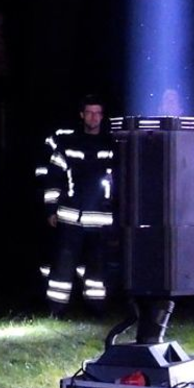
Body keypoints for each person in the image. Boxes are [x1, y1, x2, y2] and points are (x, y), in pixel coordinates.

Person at [36, 94, 115, 317]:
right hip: (71, 217)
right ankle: (56, 309)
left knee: (97, 269)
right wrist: (51, 210)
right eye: (89, 112)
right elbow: (53, 179)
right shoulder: (67, 145)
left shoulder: (111, 146)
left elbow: (120, 181)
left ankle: (96, 308)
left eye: (97, 113)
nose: (93, 117)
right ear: (82, 115)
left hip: (100, 219)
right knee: (63, 266)